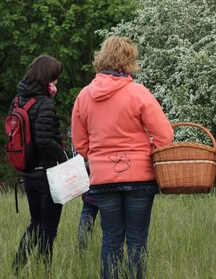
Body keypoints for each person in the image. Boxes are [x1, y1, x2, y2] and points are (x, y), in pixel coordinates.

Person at [71, 36, 174, 278]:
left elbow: (80, 144)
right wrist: (144, 150)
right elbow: (165, 136)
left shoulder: (84, 96)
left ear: (102, 57)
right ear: (129, 61)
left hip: (102, 179)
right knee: (137, 241)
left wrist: (99, 156)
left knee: (111, 240)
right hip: (139, 177)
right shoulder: (138, 92)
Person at [11, 55, 69, 272]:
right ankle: (44, 270)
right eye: (55, 78)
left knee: (35, 223)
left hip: (28, 172)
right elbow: (44, 140)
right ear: (47, 78)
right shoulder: (44, 102)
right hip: (48, 173)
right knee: (49, 228)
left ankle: (18, 267)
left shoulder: (18, 100)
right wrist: (64, 157)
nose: (56, 83)